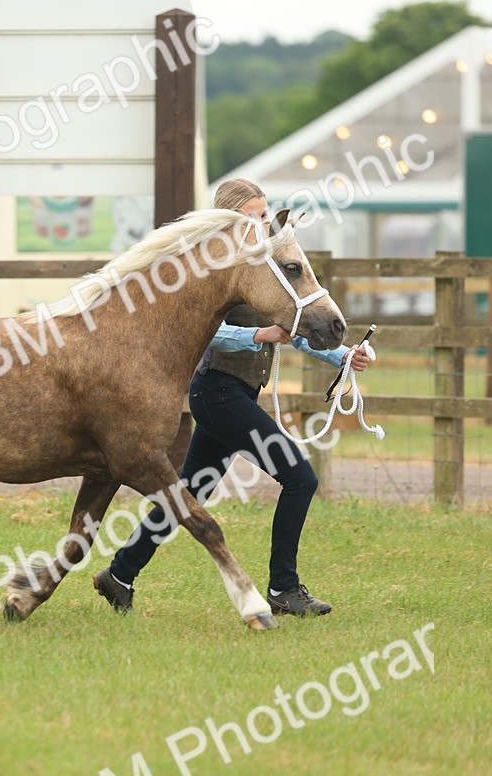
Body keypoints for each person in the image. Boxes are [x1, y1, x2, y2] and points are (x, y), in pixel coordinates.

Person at [93, 178, 373, 617]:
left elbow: (293, 327)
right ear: (230, 218)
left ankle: (120, 574)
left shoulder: (260, 267)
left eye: (265, 213)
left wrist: (342, 356)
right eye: (255, 215)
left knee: (190, 491)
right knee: (301, 479)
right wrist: (258, 334)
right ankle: (284, 589)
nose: (263, 222)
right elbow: (204, 334)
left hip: (230, 393)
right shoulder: (212, 269)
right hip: (218, 392)